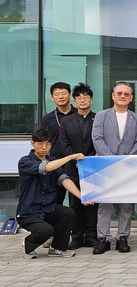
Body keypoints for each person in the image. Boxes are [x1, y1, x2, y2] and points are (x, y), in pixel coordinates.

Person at [17, 129, 92, 259]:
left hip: (48, 208)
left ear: (51, 145)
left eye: (47, 143)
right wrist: (70, 157)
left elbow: (64, 180)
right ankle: (27, 244)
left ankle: (57, 248)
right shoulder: (25, 161)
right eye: (40, 143)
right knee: (47, 231)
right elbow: (46, 168)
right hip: (28, 212)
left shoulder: (53, 160)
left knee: (68, 213)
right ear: (32, 143)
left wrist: (82, 197)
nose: (44, 147)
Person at [91, 82, 137, 255]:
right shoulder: (101, 116)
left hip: (127, 167)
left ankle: (123, 237)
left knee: (126, 204)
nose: (122, 96)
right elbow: (97, 138)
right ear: (113, 95)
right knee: (104, 204)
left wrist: (125, 160)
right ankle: (103, 238)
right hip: (105, 165)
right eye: (119, 93)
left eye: (126, 94)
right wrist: (112, 159)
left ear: (131, 98)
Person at [58, 83, 98, 250]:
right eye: (79, 97)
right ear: (74, 100)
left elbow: (99, 142)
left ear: (91, 100)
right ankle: (76, 236)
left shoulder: (98, 118)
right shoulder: (66, 121)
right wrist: (75, 159)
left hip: (93, 167)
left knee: (93, 203)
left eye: (86, 97)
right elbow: (64, 145)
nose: (82, 100)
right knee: (75, 203)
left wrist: (91, 160)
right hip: (72, 168)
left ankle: (91, 236)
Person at [41, 81, 76, 206]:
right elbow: (44, 141)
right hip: (56, 162)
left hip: (76, 163)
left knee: (77, 200)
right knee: (55, 200)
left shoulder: (78, 114)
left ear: (70, 95)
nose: (61, 97)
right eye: (57, 94)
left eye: (63, 93)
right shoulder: (47, 119)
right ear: (52, 98)